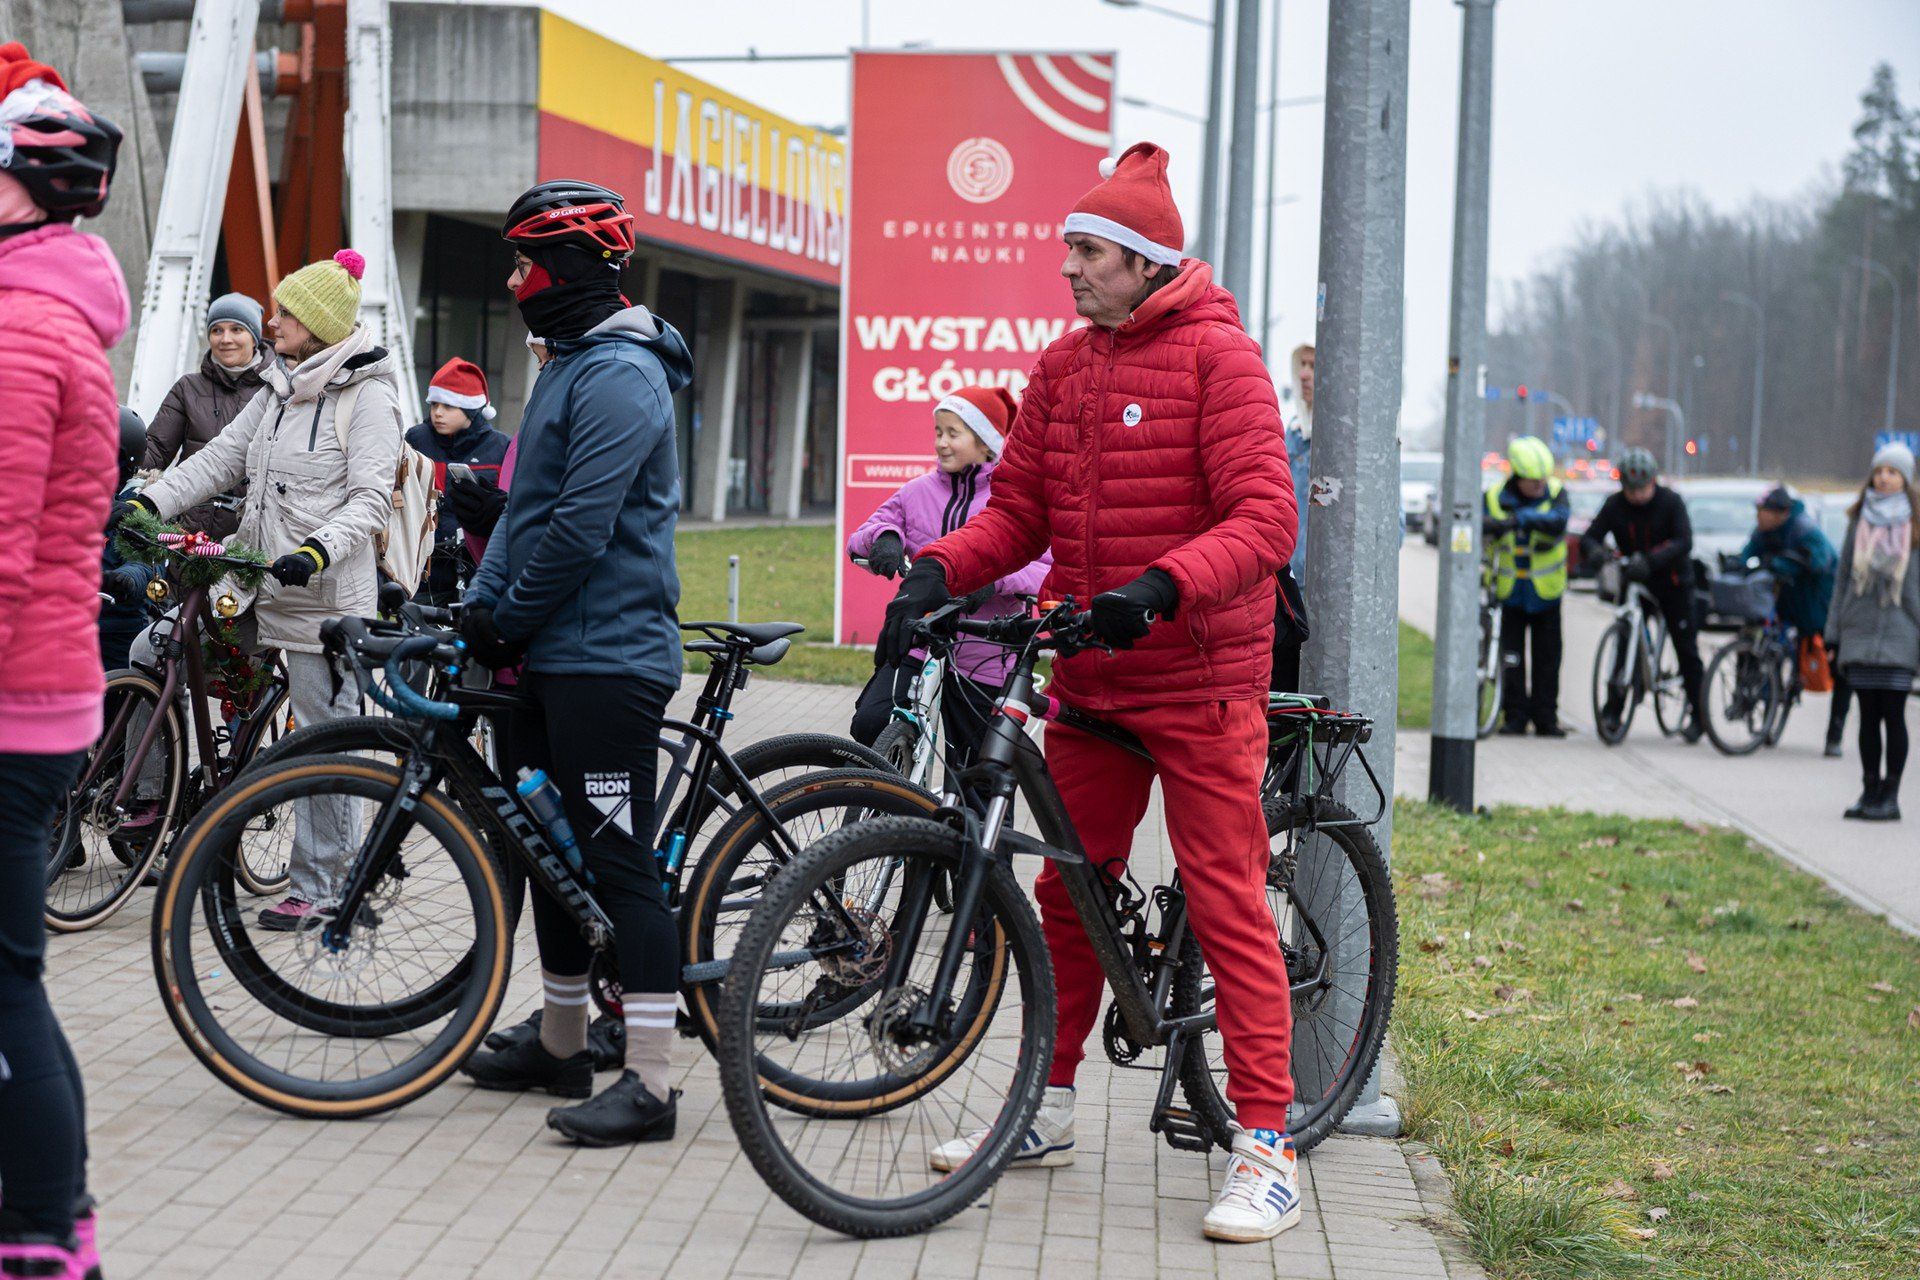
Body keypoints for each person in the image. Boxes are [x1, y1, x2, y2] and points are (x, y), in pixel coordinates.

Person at [879, 142, 1302, 1243]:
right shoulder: (1065, 367)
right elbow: (1018, 514)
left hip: (1200, 678)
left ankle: (1267, 1143)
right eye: (1068, 247)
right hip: (1093, 679)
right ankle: (1044, 1104)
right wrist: (936, 570)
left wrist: (1158, 588)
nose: (1067, 266)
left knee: (1226, 898)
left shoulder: (1222, 360)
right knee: (1067, 898)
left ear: (1146, 263)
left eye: (1088, 251)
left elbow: (1266, 520)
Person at [454, 179, 694, 1148]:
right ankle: (560, 1042)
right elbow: (525, 510)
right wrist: (482, 609)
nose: (516, 282)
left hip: (610, 656)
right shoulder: (567, 363)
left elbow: (582, 528)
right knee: (547, 851)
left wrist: (509, 617)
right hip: (551, 651)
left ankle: (652, 1081)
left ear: (567, 268)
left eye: (526, 263)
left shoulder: (622, 375)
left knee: (618, 862)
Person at [118, 247, 405, 929]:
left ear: (319, 325)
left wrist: (316, 550)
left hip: (319, 596)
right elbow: (220, 460)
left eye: (285, 315)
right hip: (250, 580)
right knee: (151, 650)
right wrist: (151, 503)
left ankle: (325, 889)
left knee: (322, 741)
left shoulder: (369, 398)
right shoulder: (278, 388)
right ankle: (155, 802)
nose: (271, 325)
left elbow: (370, 500)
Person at [0, 41, 125, 1279]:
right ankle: (53, 1222)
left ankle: (40, 1236)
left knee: (5, 990)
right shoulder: (47, 313)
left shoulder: (20, 331)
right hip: (34, 698)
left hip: (10, 707)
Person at [847, 384, 1050, 762]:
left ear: (986, 442)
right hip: (918, 640)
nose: (941, 443)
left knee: (976, 768)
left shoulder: (1011, 500)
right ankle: (885, 792)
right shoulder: (916, 492)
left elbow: (1046, 569)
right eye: (938, 432)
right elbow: (863, 535)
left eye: (953, 433)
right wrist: (885, 538)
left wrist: (995, 580)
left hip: (985, 652)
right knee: (871, 722)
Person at [1578, 445, 1707, 742]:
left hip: (1672, 583)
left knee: (1686, 648)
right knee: (1624, 641)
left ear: (1653, 481)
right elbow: (1590, 536)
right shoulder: (1614, 505)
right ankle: (1613, 710)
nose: (1636, 495)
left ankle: (1699, 716)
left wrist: (1651, 560)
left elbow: (1683, 541)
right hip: (1635, 581)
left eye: (1642, 489)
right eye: (1630, 490)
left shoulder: (1670, 502)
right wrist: (1595, 552)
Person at [1825, 442, 1920, 822]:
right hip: (1860, 632)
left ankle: (1890, 795)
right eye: (1879, 471)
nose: (1884, 478)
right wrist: (1833, 632)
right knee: (1866, 716)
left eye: (1892, 472)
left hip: (1901, 632)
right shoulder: (1858, 520)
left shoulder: (1916, 525)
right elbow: (1843, 579)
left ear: (1905, 479)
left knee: (1893, 714)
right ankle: (1869, 790)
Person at [141, 291, 272, 540]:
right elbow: (156, 450)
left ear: (254, 337)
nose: (225, 339)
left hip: (245, 535)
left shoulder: (273, 390)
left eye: (237, 329)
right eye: (217, 330)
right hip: (186, 530)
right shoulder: (188, 388)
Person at [1484, 436, 1572, 736]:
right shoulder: (1494, 497)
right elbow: (1479, 525)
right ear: (1518, 477)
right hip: (1510, 592)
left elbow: (1558, 521)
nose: (1540, 486)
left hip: (1545, 592)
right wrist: (1494, 526)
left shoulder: (1557, 493)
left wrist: (1520, 519)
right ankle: (1515, 717)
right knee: (1512, 659)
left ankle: (1546, 718)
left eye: (1542, 480)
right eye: (1534, 481)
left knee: (1548, 659)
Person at [406, 356, 509, 604]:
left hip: (475, 569)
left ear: (471, 410)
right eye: (434, 404)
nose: (438, 413)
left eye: (449, 406)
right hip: (420, 570)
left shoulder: (501, 447)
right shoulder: (416, 439)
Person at [1738, 482, 1838, 649]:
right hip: (1787, 594)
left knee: (1811, 643)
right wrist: (1741, 565)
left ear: (1781, 513)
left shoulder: (1804, 529)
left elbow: (1818, 563)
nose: (1758, 516)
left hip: (1815, 596)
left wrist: (1780, 564)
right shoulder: (1763, 530)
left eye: (1763, 511)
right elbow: (1749, 552)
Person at [98, 406, 160, 669]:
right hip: (63, 619)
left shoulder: (138, 506)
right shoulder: (66, 496)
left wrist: (125, 579)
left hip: (116, 628)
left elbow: (148, 561)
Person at [1284, 342, 1314, 564]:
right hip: (1295, 574)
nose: (1303, 374)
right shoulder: (1295, 432)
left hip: (1333, 578)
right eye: (1302, 364)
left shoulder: (1353, 440)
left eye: (1313, 366)